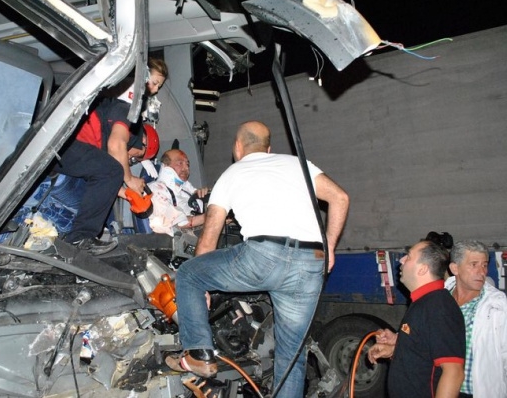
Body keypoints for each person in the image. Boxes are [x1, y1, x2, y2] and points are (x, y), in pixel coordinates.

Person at [165, 121, 350, 398]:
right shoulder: (298, 164)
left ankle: (200, 354)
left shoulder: (233, 173)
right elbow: (341, 197)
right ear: (269, 148)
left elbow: (209, 238)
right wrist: (330, 247)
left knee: (190, 273)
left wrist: (201, 286)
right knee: (292, 355)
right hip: (311, 262)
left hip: (264, 256)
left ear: (237, 148)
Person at [55, 58, 168, 254]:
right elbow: (116, 145)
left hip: (62, 147)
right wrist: (130, 179)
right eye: (155, 82)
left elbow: (103, 176)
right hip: (66, 142)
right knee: (113, 170)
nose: (156, 90)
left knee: (109, 170)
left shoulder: (105, 135)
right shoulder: (127, 107)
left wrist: (127, 193)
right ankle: (80, 238)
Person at [367, 240, 466, 398]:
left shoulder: (439, 308)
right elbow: (424, 352)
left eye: (409, 256)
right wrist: (396, 348)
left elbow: (453, 372)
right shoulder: (423, 302)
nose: (401, 260)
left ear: (422, 269)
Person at [445, 240, 507, 398]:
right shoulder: (440, 299)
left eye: (484, 265)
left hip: (476, 392)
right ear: (454, 268)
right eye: (474, 265)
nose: (482, 272)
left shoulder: (498, 306)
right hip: (441, 389)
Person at [147, 149, 209, 234]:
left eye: (187, 164)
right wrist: (211, 216)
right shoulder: (155, 190)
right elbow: (178, 224)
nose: (186, 168)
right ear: (166, 166)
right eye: (180, 163)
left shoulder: (187, 191)